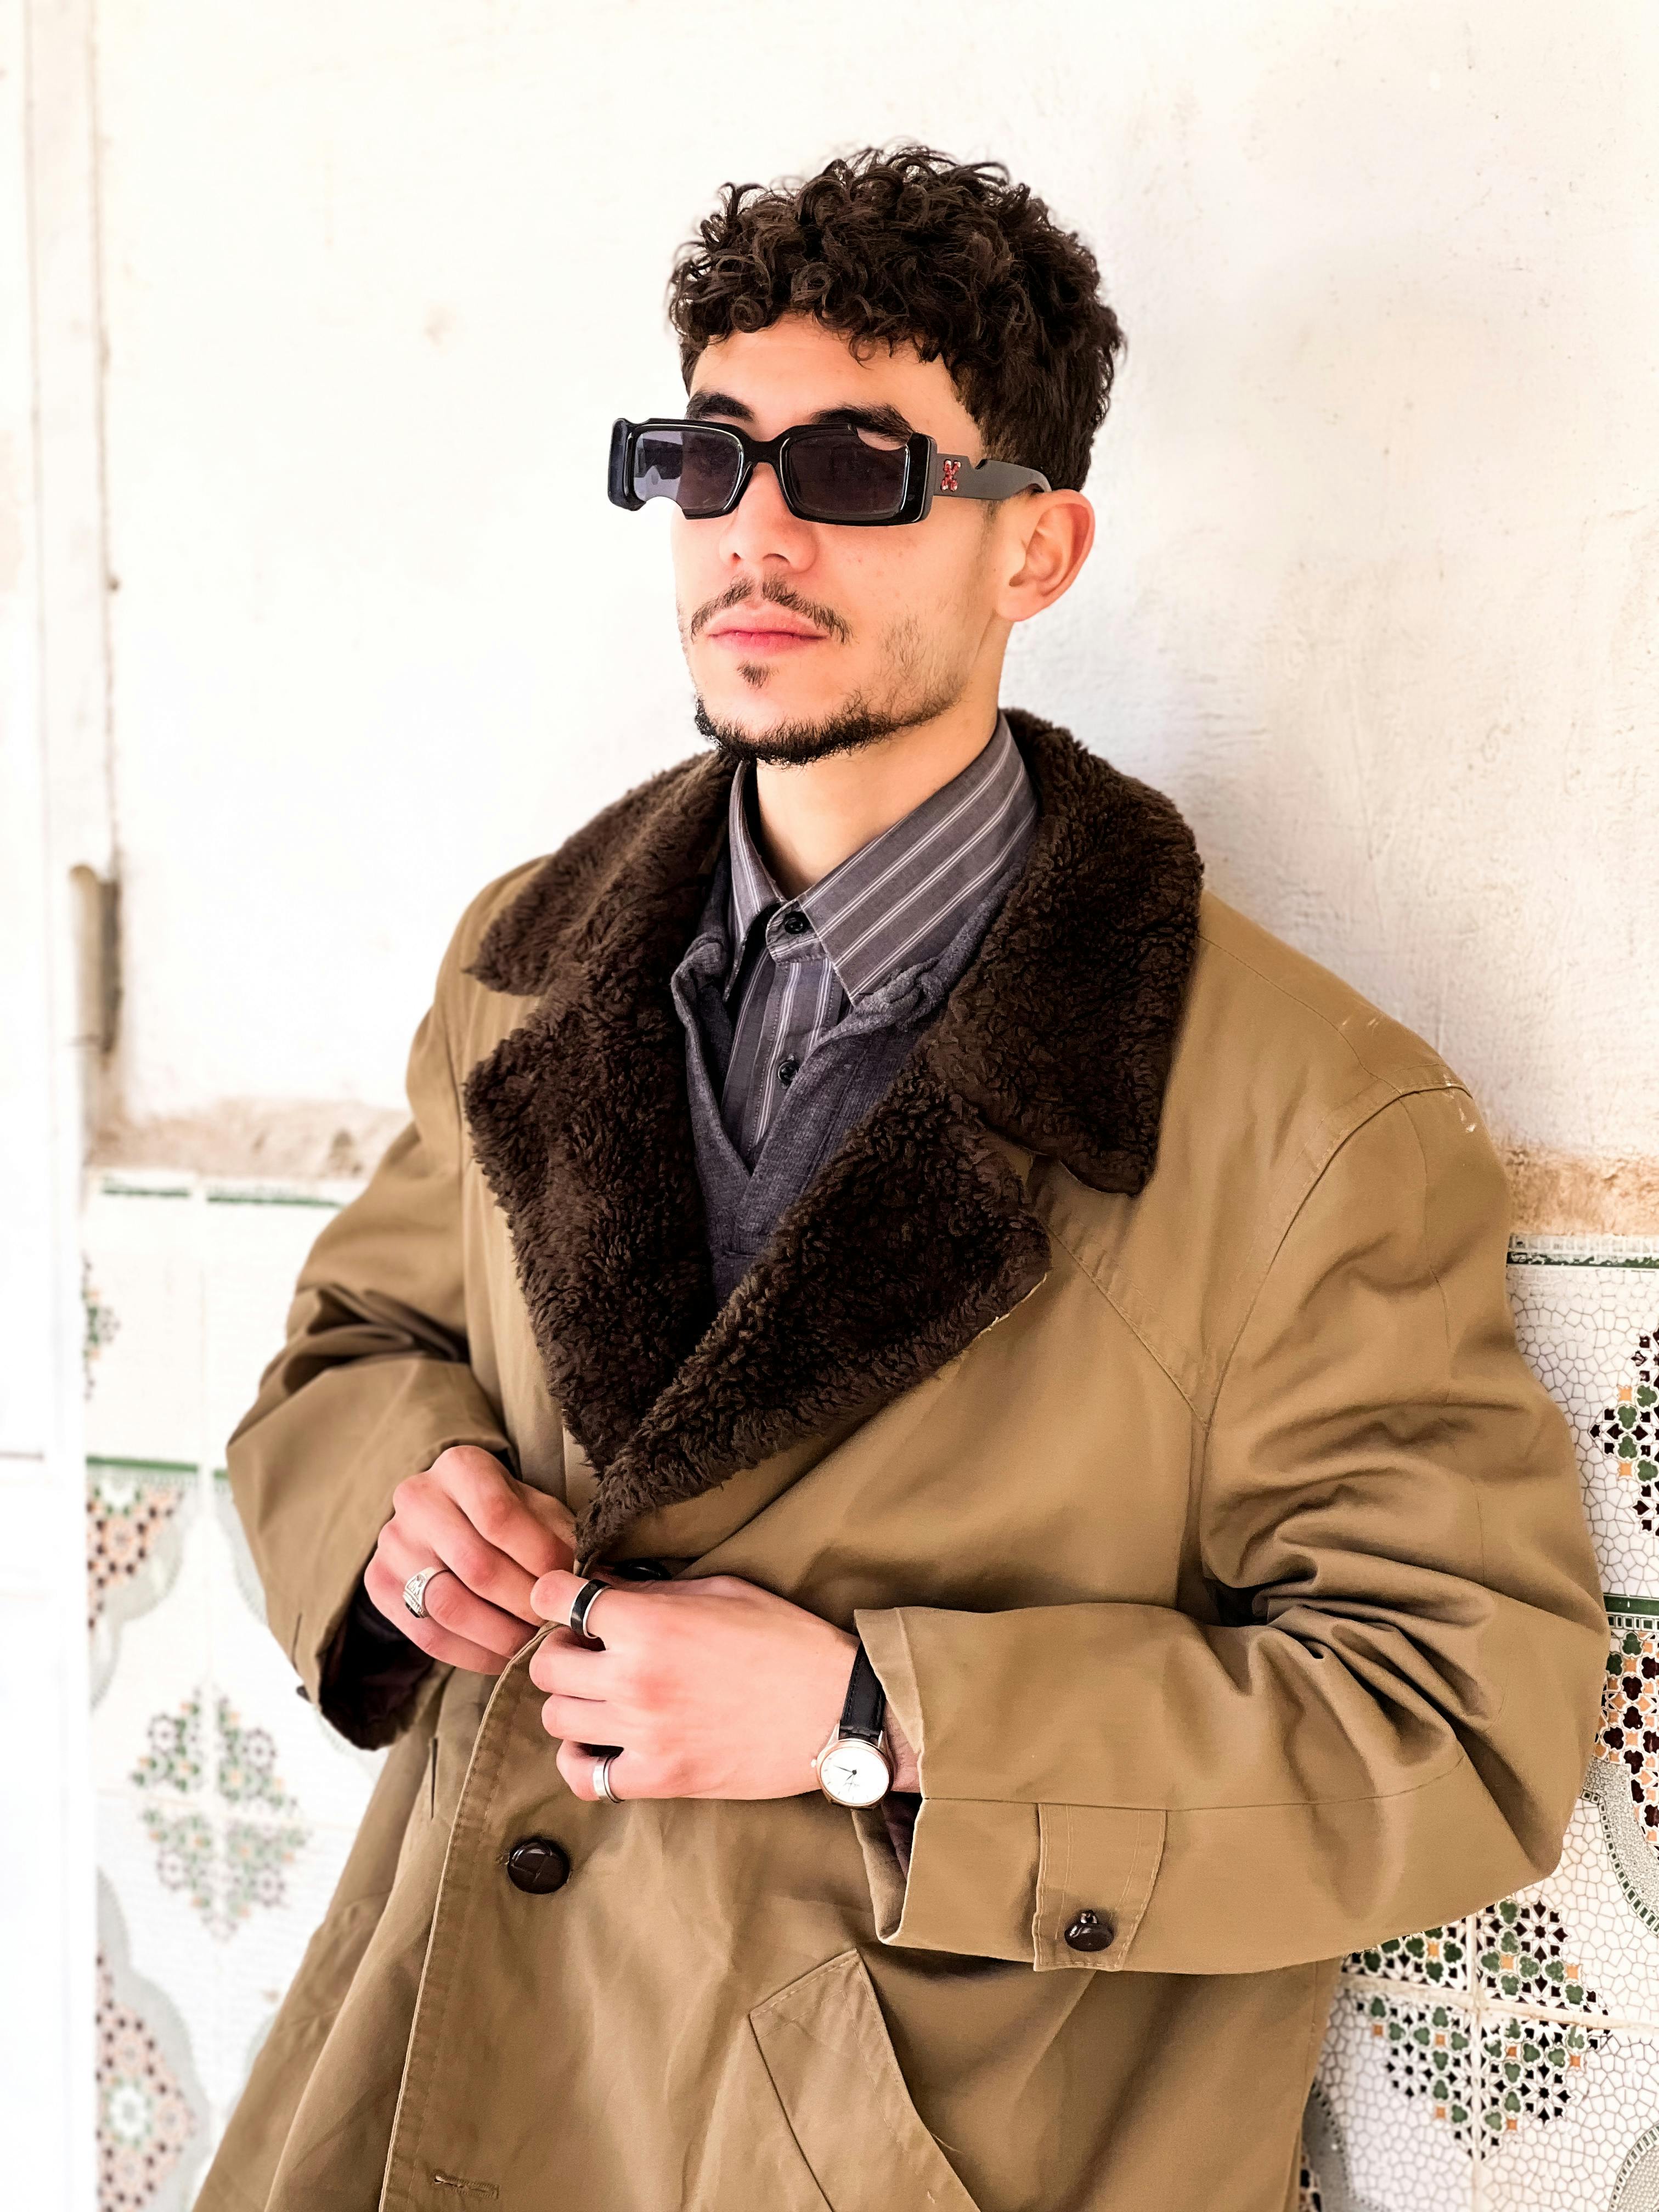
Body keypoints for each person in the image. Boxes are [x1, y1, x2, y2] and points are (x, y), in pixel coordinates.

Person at [200, 146, 1604, 2212]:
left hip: (894, 2151)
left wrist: (874, 1713)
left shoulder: (1310, 1118)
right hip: (438, 2089)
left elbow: (1458, 1724)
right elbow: (354, 1348)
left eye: (858, 469)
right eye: (706, 458)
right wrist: (405, 1524)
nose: (755, 534)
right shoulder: (529, 959)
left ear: (1035, 548)